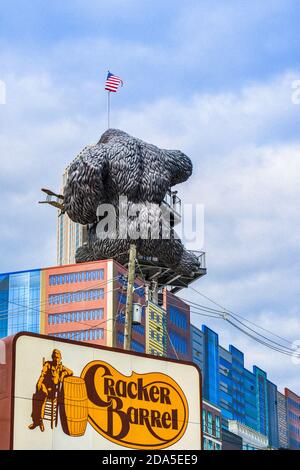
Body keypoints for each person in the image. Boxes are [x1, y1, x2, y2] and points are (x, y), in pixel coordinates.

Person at [28, 349, 73, 432]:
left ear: (60, 358)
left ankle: (37, 421)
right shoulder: (48, 364)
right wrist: (39, 383)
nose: (56, 359)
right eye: (55, 357)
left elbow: (71, 372)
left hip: (52, 391)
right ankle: (38, 421)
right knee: (39, 395)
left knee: (39, 397)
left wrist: (63, 374)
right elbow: (42, 375)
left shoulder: (61, 367)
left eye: (58, 357)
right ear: (52, 357)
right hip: (44, 387)